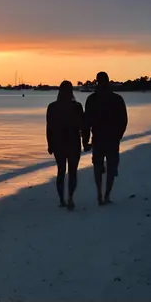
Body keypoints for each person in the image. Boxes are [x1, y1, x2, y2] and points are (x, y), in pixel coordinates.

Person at [84, 72, 128, 205]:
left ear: (97, 81)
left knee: (98, 166)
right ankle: (106, 195)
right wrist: (119, 136)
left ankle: (99, 194)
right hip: (111, 138)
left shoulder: (92, 99)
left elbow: (87, 122)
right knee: (111, 167)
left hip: (99, 137)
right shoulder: (117, 99)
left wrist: (85, 140)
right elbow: (123, 120)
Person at [46, 81, 89, 210]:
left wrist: (50, 144)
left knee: (61, 171)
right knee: (72, 173)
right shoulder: (77, 106)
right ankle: (70, 197)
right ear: (71, 91)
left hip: (59, 143)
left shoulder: (53, 107)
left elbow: (50, 128)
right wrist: (85, 142)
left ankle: (62, 200)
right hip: (73, 142)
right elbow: (83, 126)